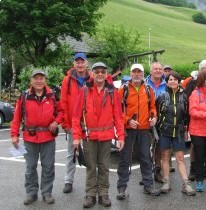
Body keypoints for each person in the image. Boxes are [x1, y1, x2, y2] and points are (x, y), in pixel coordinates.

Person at [72, 62, 125, 208]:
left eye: (102, 71)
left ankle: (103, 193)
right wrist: (76, 137)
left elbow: (118, 117)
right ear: (92, 73)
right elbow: (76, 117)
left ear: (106, 73)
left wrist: (120, 136)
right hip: (89, 137)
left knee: (104, 166)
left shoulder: (112, 92)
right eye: (97, 71)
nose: (100, 74)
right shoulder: (84, 91)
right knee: (90, 166)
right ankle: (90, 194)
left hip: (106, 136)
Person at [11, 69, 63, 205]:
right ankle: (31, 193)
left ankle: (47, 193)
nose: (39, 81)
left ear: (45, 80)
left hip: (48, 137)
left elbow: (62, 112)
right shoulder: (24, 96)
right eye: (36, 78)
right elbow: (16, 117)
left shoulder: (52, 95)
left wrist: (56, 122)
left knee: (48, 167)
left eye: (41, 78)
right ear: (31, 81)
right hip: (30, 138)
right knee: (30, 167)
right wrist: (14, 135)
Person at [116, 63, 161, 198]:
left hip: (144, 129)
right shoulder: (123, 90)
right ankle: (121, 188)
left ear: (142, 74)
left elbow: (153, 107)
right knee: (125, 159)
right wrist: (128, 120)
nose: (137, 74)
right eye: (134, 72)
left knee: (146, 158)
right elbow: (117, 112)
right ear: (130, 74)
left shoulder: (148, 89)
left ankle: (148, 186)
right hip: (128, 130)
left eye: (139, 72)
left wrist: (154, 117)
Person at [156, 71, 196, 196]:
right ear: (166, 82)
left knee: (180, 158)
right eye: (169, 79)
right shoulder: (161, 96)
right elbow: (157, 114)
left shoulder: (184, 96)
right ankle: (166, 181)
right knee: (165, 157)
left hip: (178, 132)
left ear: (179, 81)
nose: (172, 81)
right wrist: (158, 129)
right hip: (165, 131)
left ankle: (186, 183)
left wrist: (186, 129)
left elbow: (187, 116)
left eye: (174, 79)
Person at [60, 52, 91, 194]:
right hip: (73, 122)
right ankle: (68, 180)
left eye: (82, 61)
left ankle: (90, 182)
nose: (80, 64)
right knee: (71, 152)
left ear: (86, 63)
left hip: (89, 122)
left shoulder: (92, 78)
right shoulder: (67, 80)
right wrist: (66, 123)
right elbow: (63, 102)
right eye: (77, 62)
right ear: (74, 64)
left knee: (90, 152)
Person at [185, 60, 206, 181]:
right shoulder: (193, 85)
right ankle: (194, 171)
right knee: (197, 151)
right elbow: (189, 104)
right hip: (196, 125)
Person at [145, 62, 168, 183]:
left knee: (159, 148)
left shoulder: (168, 84)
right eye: (155, 69)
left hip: (163, 121)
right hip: (146, 121)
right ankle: (147, 174)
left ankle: (158, 172)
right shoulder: (144, 83)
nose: (158, 71)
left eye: (160, 69)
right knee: (145, 149)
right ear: (151, 70)